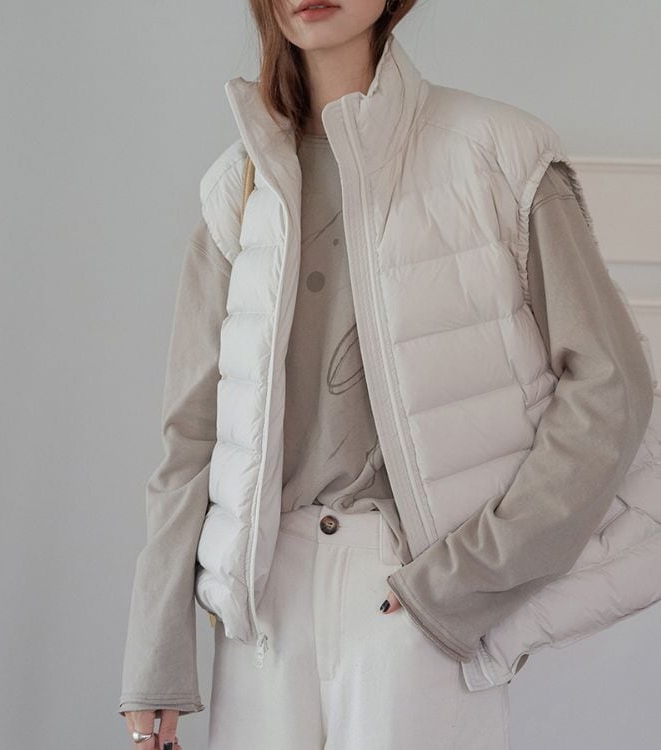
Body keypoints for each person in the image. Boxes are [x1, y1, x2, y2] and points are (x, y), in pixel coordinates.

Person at [119, 2, 656, 748]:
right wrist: (156, 653)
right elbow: (192, 436)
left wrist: (463, 579)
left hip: (408, 594)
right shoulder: (237, 187)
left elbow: (610, 388)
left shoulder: (500, 153)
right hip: (263, 611)